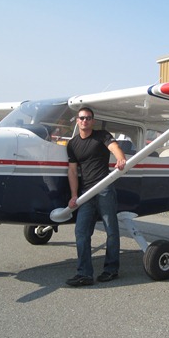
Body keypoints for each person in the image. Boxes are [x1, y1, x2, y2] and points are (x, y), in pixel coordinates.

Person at [65, 107, 127, 287]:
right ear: (77, 121)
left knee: (111, 229)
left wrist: (121, 158)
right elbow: (72, 171)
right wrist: (74, 195)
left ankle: (111, 269)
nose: (85, 121)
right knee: (81, 232)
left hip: (104, 188)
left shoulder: (102, 136)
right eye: (82, 118)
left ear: (93, 121)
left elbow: (114, 147)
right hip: (86, 192)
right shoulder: (72, 144)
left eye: (88, 118)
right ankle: (84, 274)